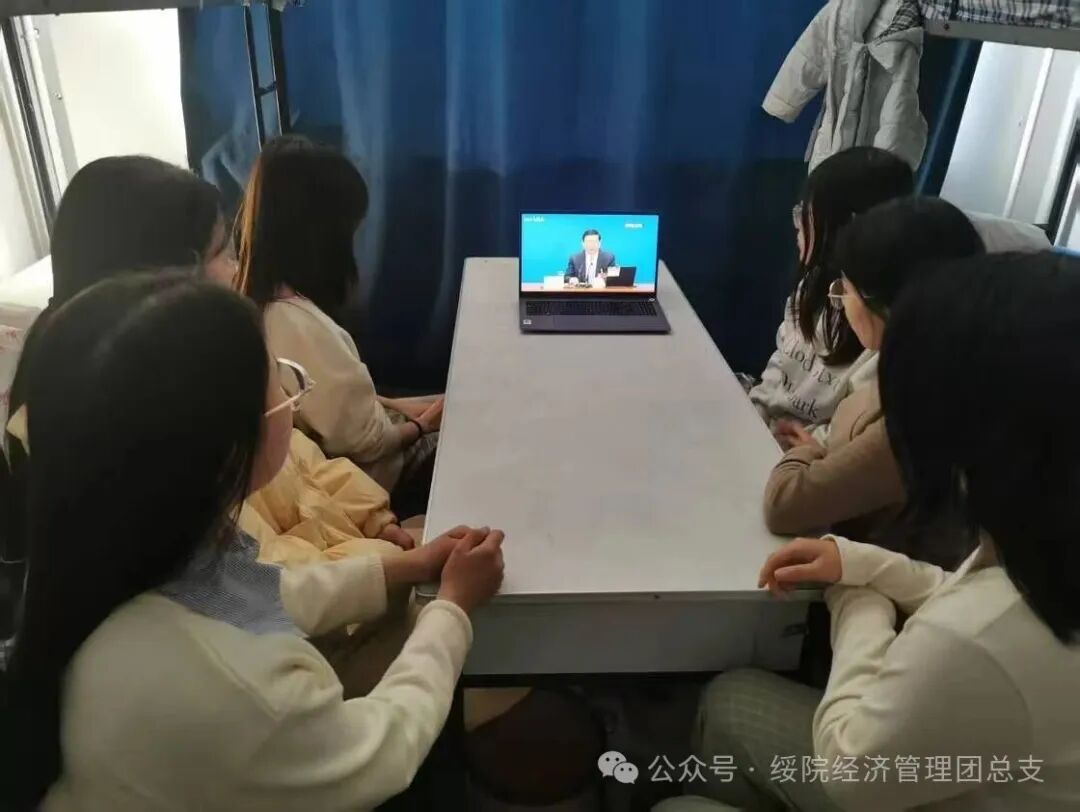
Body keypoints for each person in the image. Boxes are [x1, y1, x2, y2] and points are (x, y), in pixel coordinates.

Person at [1, 272, 505, 811]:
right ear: (227, 446)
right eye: (280, 384)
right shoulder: (237, 689)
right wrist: (452, 609)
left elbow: (261, 593)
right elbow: (381, 751)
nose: (291, 399)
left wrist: (406, 568)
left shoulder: (114, 553)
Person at [661, 252, 1080, 812]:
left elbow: (848, 773)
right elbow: (968, 595)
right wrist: (860, 563)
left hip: (902, 782)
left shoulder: (976, 636)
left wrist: (857, 599)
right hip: (985, 768)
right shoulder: (1044, 538)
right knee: (732, 698)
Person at [763, 197, 985, 567]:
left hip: (868, 577)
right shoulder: (930, 362)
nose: (841, 301)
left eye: (844, 290)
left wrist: (810, 454)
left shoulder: (919, 413)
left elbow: (783, 505)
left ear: (881, 303)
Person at [235, 135, 441, 508]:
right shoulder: (293, 324)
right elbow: (368, 443)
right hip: (379, 478)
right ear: (322, 236)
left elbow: (332, 403)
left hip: (369, 445)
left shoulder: (261, 300)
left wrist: (399, 406)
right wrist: (420, 426)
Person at [749, 147, 914, 444]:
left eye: (807, 213)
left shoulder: (878, 329)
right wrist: (753, 412)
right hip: (767, 434)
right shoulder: (811, 288)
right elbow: (779, 366)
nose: (797, 225)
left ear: (845, 227)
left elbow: (850, 428)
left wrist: (805, 449)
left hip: (805, 454)